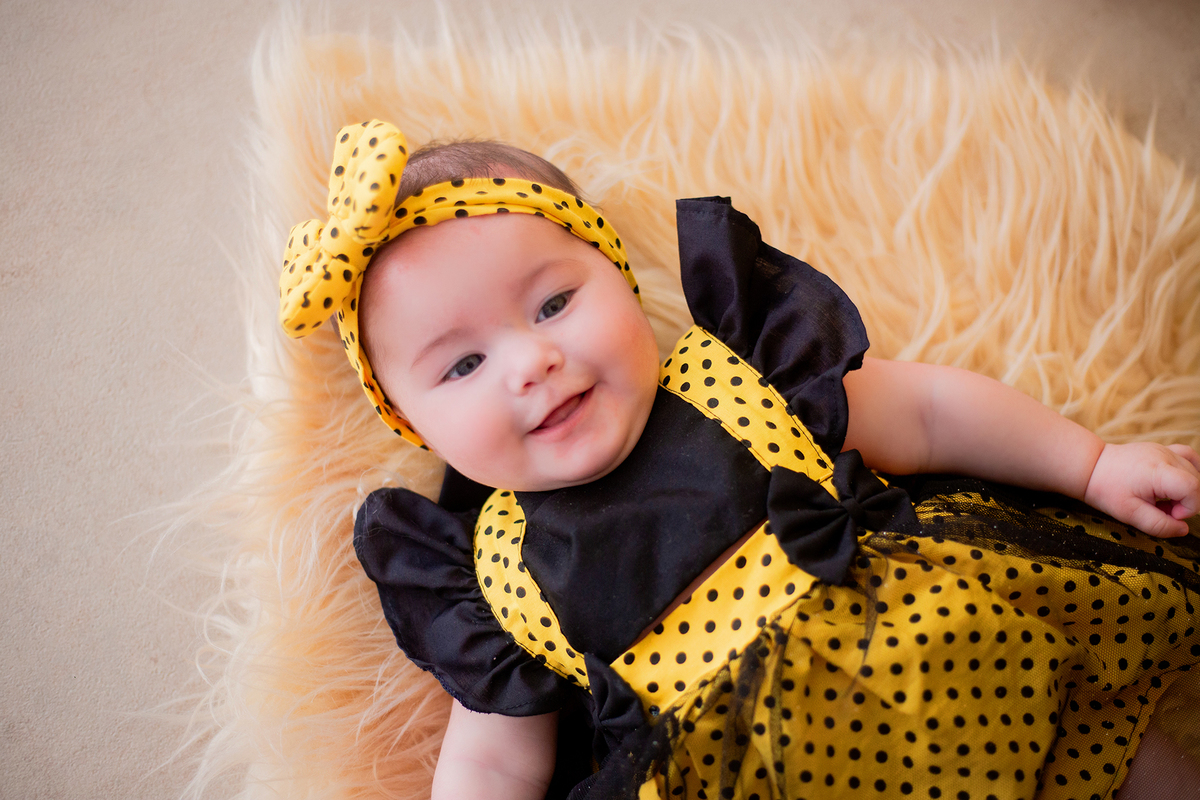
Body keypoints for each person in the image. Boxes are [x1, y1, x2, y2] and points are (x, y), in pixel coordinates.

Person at [279, 120, 1200, 800]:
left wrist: (1090, 466)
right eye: (465, 365)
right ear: (414, 426)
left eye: (555, 303)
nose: (531, 363)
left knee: (1122, 757)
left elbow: (923, 408)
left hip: (960, 670)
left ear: (618, 276)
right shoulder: (496, 576)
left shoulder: (742, 375)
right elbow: (490, 757)